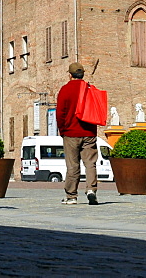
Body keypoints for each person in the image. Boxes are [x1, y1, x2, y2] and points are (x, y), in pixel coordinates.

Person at [56, 62, 99, 205]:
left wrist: (62, 130)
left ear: (70, 75)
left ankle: (71, 196)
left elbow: (60, 113)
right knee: (90, 163)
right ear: (83, 74)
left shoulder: (65, 90)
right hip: (89, 132)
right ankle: (91, 189)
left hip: (71, 133)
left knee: (73, 165)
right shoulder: (90, 89)